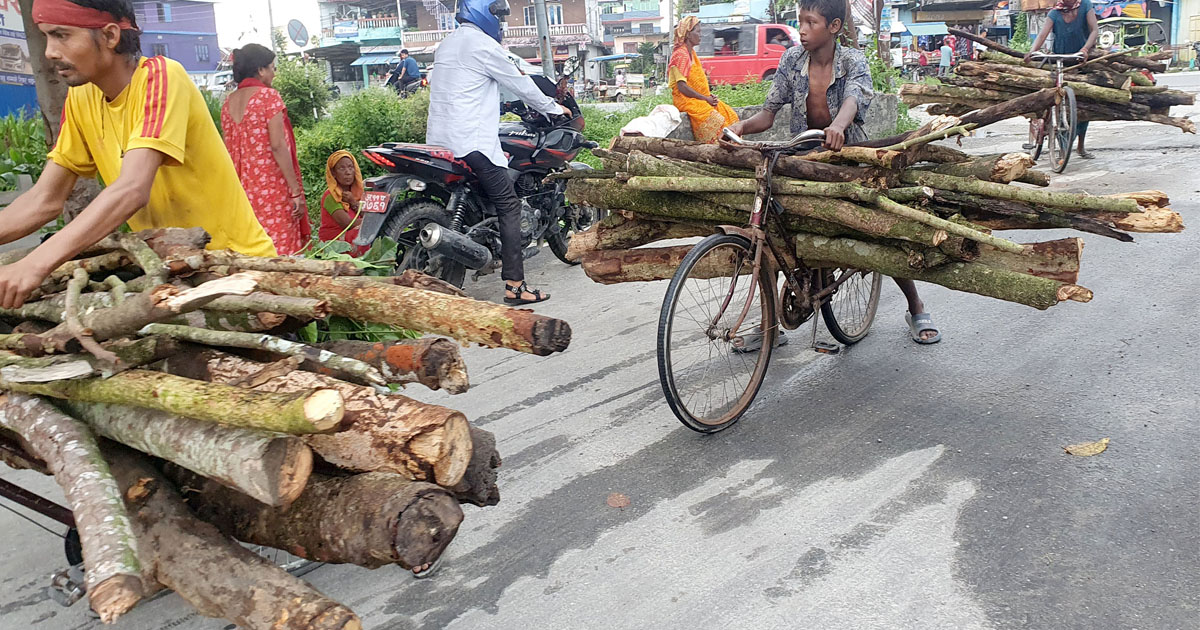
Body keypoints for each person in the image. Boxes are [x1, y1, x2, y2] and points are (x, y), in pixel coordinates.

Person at [0, 0, 274, 310]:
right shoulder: (80, 97)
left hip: (237, 270)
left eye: (61, 35)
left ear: (110, 35)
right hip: (175, 277)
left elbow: (131, 189)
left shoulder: (161, 77)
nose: (49, 51)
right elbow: (44, 200)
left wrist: (35, 264)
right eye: (47, 36)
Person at [725, 0, 941, 344]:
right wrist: (740, 128)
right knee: (773, 234)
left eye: (811, 22)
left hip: (847, 159)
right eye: (800, 21)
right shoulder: (791, 60)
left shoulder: (853, 61)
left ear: (834, 27)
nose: (803, 29)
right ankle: (768, 325)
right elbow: (768, 114)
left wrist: (838, 126)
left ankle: (915, 305)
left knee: (877, 235)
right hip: (804, 157)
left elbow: (853, 101)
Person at [425, 0, 570, 305]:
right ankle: (515, 286)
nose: (501, 24)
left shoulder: (447, 45)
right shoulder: (483, 45)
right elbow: (521, 83)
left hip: (440, 142)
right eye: (499, 16)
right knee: (509, 205)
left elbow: (465, 88)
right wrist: (553, 107)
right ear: (484, 13)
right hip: (471, 142)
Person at [222, 43, 310, 255]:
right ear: (260, 70)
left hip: (240, 190)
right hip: (271, 190)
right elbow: (278, 146)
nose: (274, 73)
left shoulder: (228, 102)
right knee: (280, 252)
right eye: (272, 67)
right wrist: (295, 191)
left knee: (251, 250)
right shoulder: (268, 97)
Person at [1025, 0, 1099, 158]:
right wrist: (1032, 52)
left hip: (1081, 61)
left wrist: (1085, 49)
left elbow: (1094, 30)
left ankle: (1080, 146)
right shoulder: (1055, 13)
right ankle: (1062, 148)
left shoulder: (1085, 6)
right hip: (1061, 62)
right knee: (1058, 104)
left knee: (1083, 106)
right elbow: (1042, 35)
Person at [669, 16, 739, 144]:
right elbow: (682, 87)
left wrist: (708, 96)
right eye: (698, 32)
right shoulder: (680, 55)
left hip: (699, 98)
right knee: (717, 121)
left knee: (730, 115)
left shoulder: (691, 53)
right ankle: (717, 150)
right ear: (688, 34)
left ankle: (732, 148)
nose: (701, 35)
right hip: (686, 100)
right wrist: (705, 98)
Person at [319, 150, 368, 256]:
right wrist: (373, 222)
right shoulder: (330, 196)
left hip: (347, 238)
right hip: (333, 244)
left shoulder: (357, 193)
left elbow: (365, 214)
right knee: (363, 232)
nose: (348, 172)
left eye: (351, 167)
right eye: (342, 168)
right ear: (333, 173)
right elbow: (347, 224)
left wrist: (353, 202)